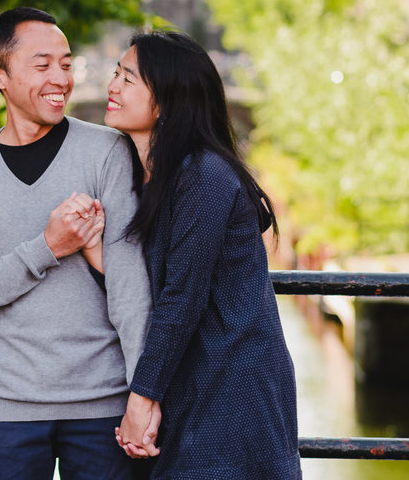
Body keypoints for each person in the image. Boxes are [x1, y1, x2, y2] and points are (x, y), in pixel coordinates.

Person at [0, 7, 151, 480]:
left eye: (67, 64)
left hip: (102, 406)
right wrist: (47, 247)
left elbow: (132, 282)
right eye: (42, 64)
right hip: (4, 406)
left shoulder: (109, 152)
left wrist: (143, 392)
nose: (61, 78)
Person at [94, 30, 302, 479]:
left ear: (168, 99)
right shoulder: (155, 177)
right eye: (116, 74)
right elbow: (152, 282)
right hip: (195, 378)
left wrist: (141, 397)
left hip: (233, 385)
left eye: (128, 79)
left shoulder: (203, 176)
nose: (112, 87)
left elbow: (181, 299)